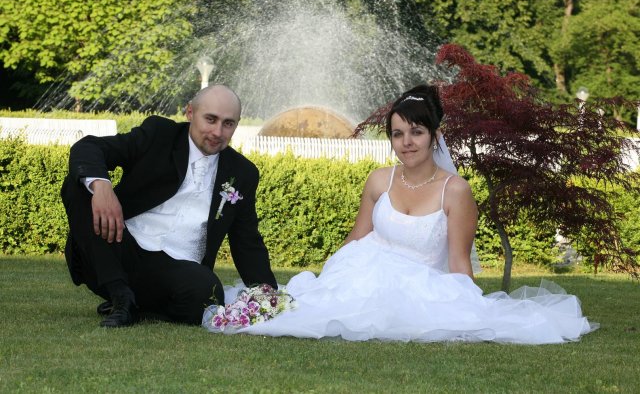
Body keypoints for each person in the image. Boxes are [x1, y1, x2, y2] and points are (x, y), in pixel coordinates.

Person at [207, 84, 598, 344]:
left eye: (416, 132)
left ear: (435, 136)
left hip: (418, 285)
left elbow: (459, 262)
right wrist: (327, 278)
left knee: (390, 320)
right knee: (305, 312)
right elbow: (357, 237)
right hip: (361, 272)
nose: (406, 142)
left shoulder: (455, 191)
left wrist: (468, 306)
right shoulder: (380, 180)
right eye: (397, 134)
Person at [61, 84, 277, 328]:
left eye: (228, 123)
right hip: (115, 248)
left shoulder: (243, 172)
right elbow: (88, 147)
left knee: (208, 293)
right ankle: (120, 296)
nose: (218, 132)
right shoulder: (159, 134)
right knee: (78, 186)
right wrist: (101, 187)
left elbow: (246, 240)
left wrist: (267, 295)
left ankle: (137, 305)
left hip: (176, 269)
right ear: (190, 112)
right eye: (210, 119)